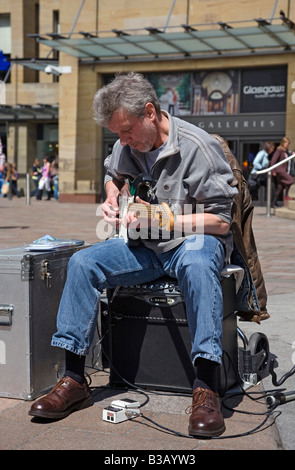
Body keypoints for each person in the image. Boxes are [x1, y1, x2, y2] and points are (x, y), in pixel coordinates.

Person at [29, 72, 239, 438]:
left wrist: (168, 218)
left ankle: (206, 386)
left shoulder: (198, 147)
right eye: (117, 135)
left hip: (193, 239)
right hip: (147, 245)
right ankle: (74, 378)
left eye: (126, 131)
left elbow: (222, 221)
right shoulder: (127, 144)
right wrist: (112, 195)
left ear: (150, 112)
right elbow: (114, 174)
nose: (123, 141)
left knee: (196, 260)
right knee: (83, 262)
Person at [270, 137, 294, 207]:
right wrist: (273, 171)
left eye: (288, 143)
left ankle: (273, 203)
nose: (287, 145)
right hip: (279, 171)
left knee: (280, 187)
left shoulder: (285, 151)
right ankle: (286, 195)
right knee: (290, 180)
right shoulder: (279, 150)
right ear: (283, 143)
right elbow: (273, 161)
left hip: (284, 170)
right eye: (286, 143)